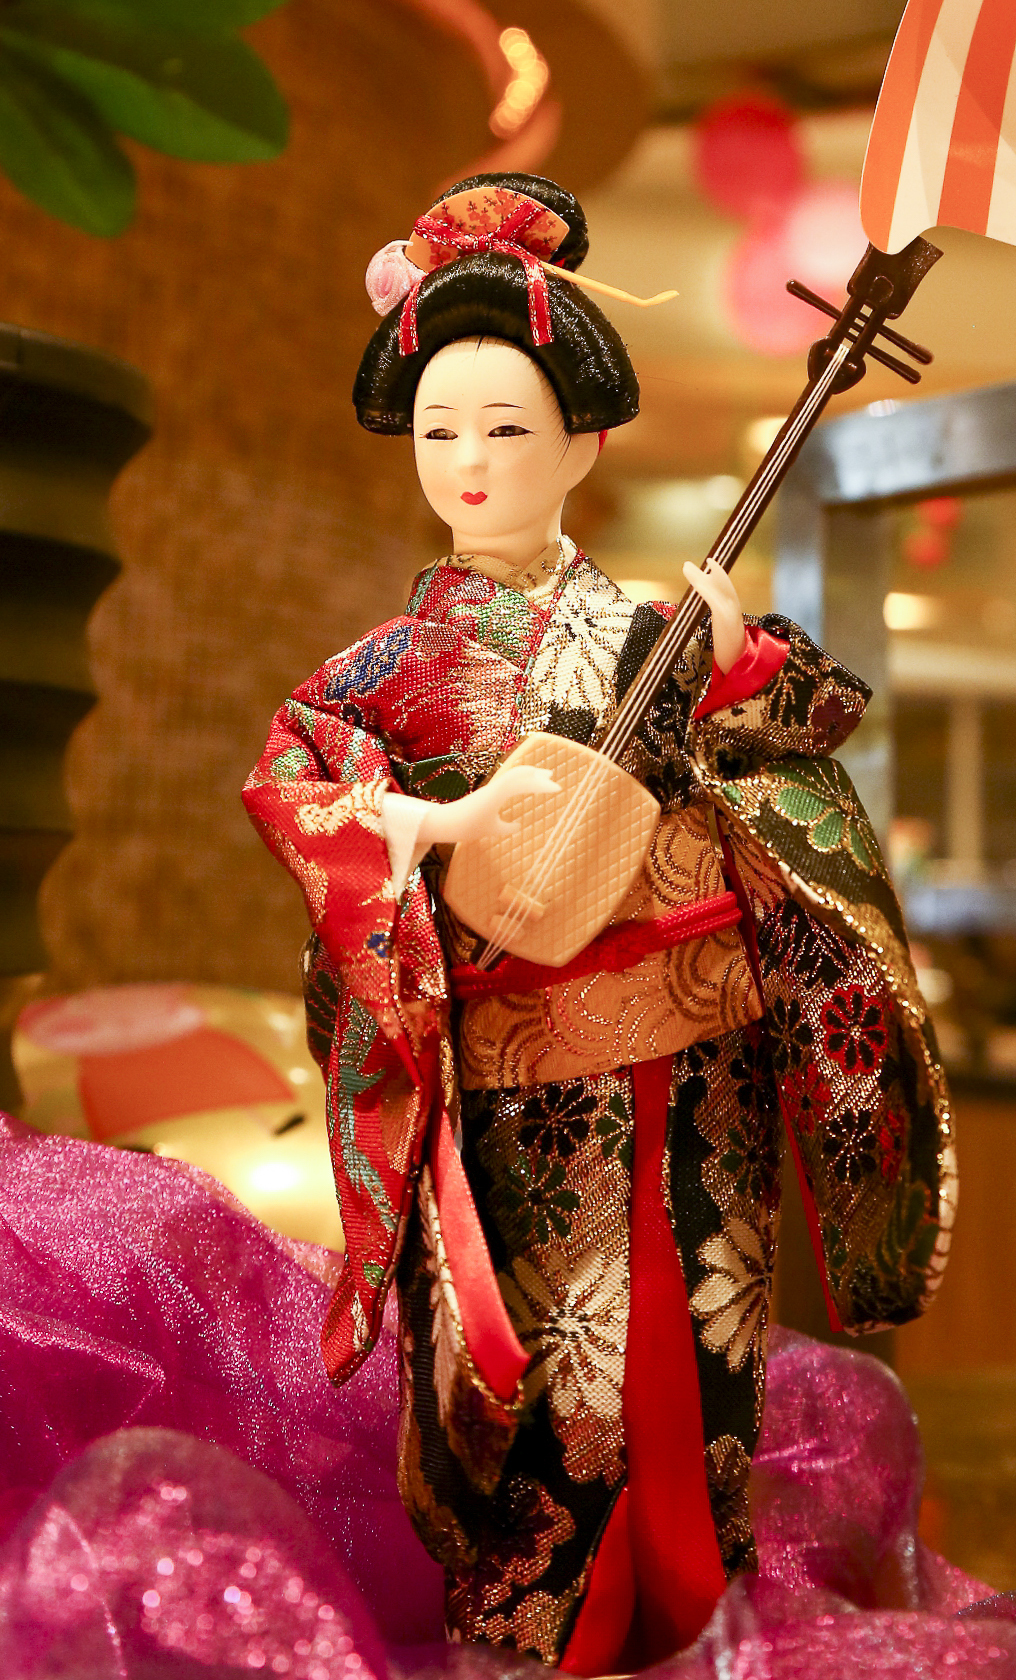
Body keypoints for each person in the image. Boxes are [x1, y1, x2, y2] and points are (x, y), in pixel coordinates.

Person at [241, 174, 955, 1674]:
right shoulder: (371, 678)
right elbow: (300, 798)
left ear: (583, 441)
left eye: (506, 428)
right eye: (440, 430)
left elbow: (815, 719)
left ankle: (695, 1623)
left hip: (699, 1061)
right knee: (549, 1382)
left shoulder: (651, 630)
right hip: (518, 1076)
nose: (470, 460)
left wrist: (741, 666)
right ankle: (536, 1637)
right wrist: (425, 836)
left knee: (702, 1349)